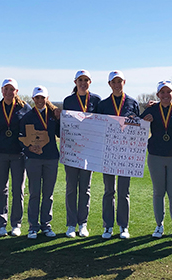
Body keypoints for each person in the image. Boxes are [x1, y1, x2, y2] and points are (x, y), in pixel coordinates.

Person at [97, 70, 140, 239]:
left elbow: (138, 126)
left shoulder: (132, 102)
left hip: (126, 154)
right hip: (108, 152)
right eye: (113, 82)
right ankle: (108, 226)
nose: (116, 84)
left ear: (124, 82)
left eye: (119, 81)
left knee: (124, 192)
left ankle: (123, 226)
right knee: (109, 191)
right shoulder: (103, 104)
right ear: (109, 84)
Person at [140, 81, 172, 239]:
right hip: (155, 156)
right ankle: (159, 226)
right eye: (162, 92)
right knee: (158, 192)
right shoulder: (151, 109)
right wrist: (145, 118)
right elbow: (137, 126)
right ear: (158, 95)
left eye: (169, 92)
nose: (166, 95)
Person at [0, 78, 31, 237]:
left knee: (18, 190)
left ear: (16, 92)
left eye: (11, 89)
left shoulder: (24, 108)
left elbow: (33, 125)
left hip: (19, 154)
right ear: (1, 90)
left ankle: (16, 224)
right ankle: (1, 224)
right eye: (6, 89)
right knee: (1, 189)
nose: (8, 92)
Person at [62, 70, 101, 238]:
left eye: (86, 80)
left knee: (85, 189)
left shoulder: (97, 100)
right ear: (75, 82)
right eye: (80, 80)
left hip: (89, 151)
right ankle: (71, 224)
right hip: (72, 151)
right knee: (71, 188)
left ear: (90, 82)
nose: (83, 83)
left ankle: (83, 224)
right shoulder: (68, 100)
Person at [19, 85, 60, 239]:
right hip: (34, 159)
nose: (40, 100)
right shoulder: (27, 116)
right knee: (34, 193)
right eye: (37, 98)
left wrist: (60, 118)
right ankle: (33, 226)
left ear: (46, 99)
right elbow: (22, 137)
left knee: (48, 194)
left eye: (43, 98)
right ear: (33, 99)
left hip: (51, 158)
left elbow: (60, 133)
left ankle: (46, 225)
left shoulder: (53, 115)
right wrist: (29, 147)